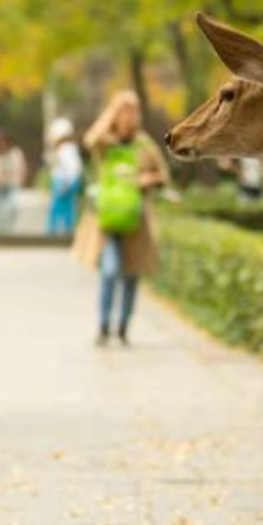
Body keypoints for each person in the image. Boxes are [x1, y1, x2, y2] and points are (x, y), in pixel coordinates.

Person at [73, 90, 169, 346]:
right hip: (108, 218)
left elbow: (163, 175)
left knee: (131, 274)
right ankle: (103, 325)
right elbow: (90, 140)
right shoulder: (107, 143)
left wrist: (145, 179)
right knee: (110, 270)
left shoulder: (144, 144)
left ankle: (123, 325)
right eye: (125, 111)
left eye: (133, 111)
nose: (130, 116)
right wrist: (112, 114)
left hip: (136, 220)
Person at [46, 117, 83, 236]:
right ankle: (64, 233)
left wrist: (66, 185)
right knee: (66, 210)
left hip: (64, 184)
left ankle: (57, 235)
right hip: (65, 183)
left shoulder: (66, 149)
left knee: (60, 212)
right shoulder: (68, 149)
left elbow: (72, 169)